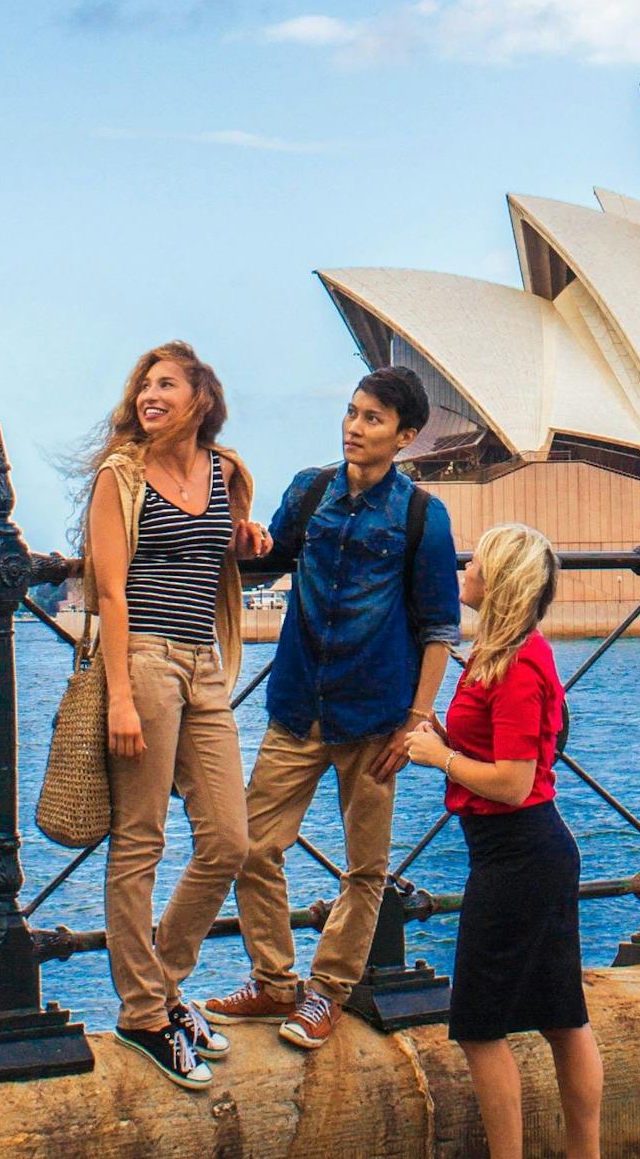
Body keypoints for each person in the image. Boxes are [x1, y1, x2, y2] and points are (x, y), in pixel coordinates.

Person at [206, 365, 461, 1049]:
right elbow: (269, 560)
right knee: (251, 844)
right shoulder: (310, 489)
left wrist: (416, 721)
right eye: (352, 412)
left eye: (373, 418)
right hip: (296, 705)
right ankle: (272, 982)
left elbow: (440, 626)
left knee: (364, 865)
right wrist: (243, 538)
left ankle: (327, 993)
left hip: (375, 718)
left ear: (405, 436)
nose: (354, 426)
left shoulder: (421, 516)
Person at [79, 341, 272, 1089]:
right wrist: (121, 694)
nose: (149, 396)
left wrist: (245, 537)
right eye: (143, 386)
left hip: (205, 663)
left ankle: (161, 987)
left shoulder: (227, 474)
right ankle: (144, 1015)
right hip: (147, 663)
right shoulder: (119, 478)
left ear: (201, 398)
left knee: (229, 837)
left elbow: (221, 545)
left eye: (166, 384)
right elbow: (110, 591)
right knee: (140, 842)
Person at [406, 523, 603, 1159]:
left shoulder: (516, 665)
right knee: (561, 1018)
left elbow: (514, 784)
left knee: (479, 1025)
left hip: (516, 852)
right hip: (529, 851)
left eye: (478, 563)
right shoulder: (512, 651)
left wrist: (440, 757)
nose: (466, 568)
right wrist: (452, 739)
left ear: (500, 583)